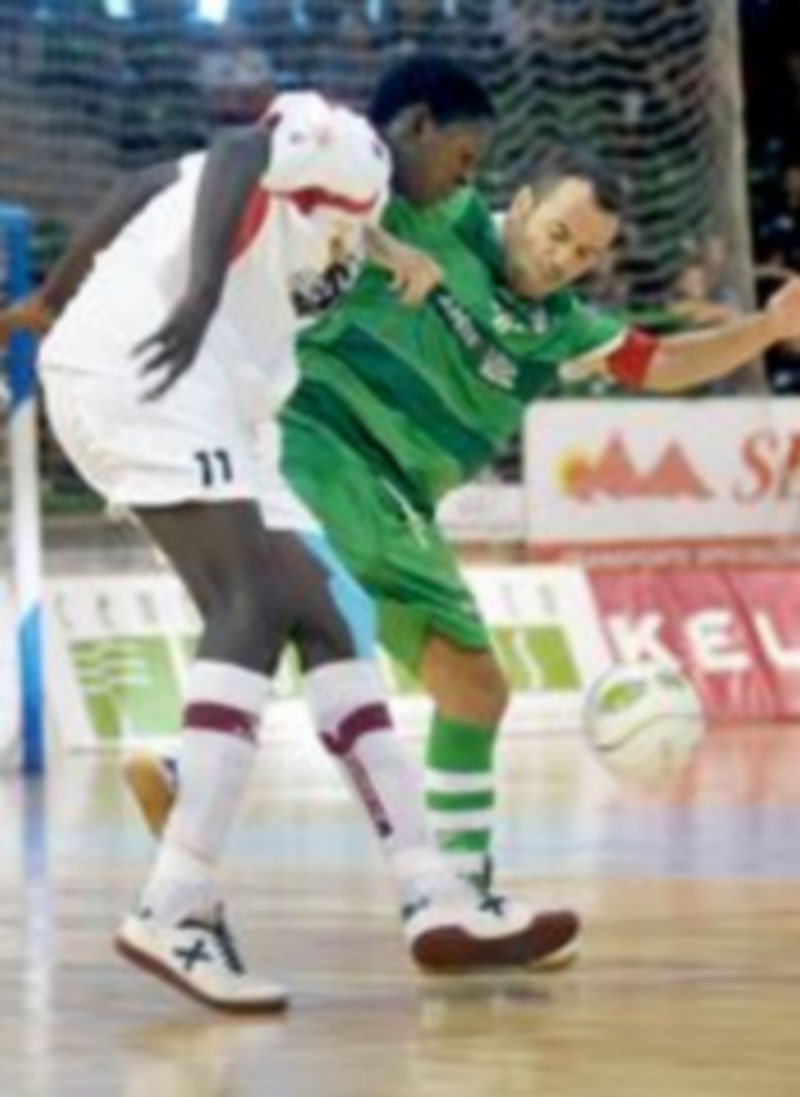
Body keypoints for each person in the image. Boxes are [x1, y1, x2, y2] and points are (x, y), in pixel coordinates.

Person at [1, 57, 580, 1014]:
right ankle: (176, 904)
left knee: (326, 620)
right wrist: (196, 294)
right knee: (255, 601)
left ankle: (432, 892)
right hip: (152, 372)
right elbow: (239, 151)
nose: (465, 183)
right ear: (417, 125)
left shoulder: (355, 203)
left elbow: (151, 183)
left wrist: (51, 296)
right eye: (464, 158)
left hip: (220, 402)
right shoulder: (351, 145)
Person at [119, 144, 800, 889]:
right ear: (525, 205)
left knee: (473, 689)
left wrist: (767, 330)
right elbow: (334, 198)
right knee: (316, 603)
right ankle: (203, 777)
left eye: (586, 254)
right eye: (558, 234)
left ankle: (452, 883)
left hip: (399, 501)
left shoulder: (562, 326)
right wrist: (377, 241)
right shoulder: (446, 214)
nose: (564, 260)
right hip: (320, 442)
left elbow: (659, 363)